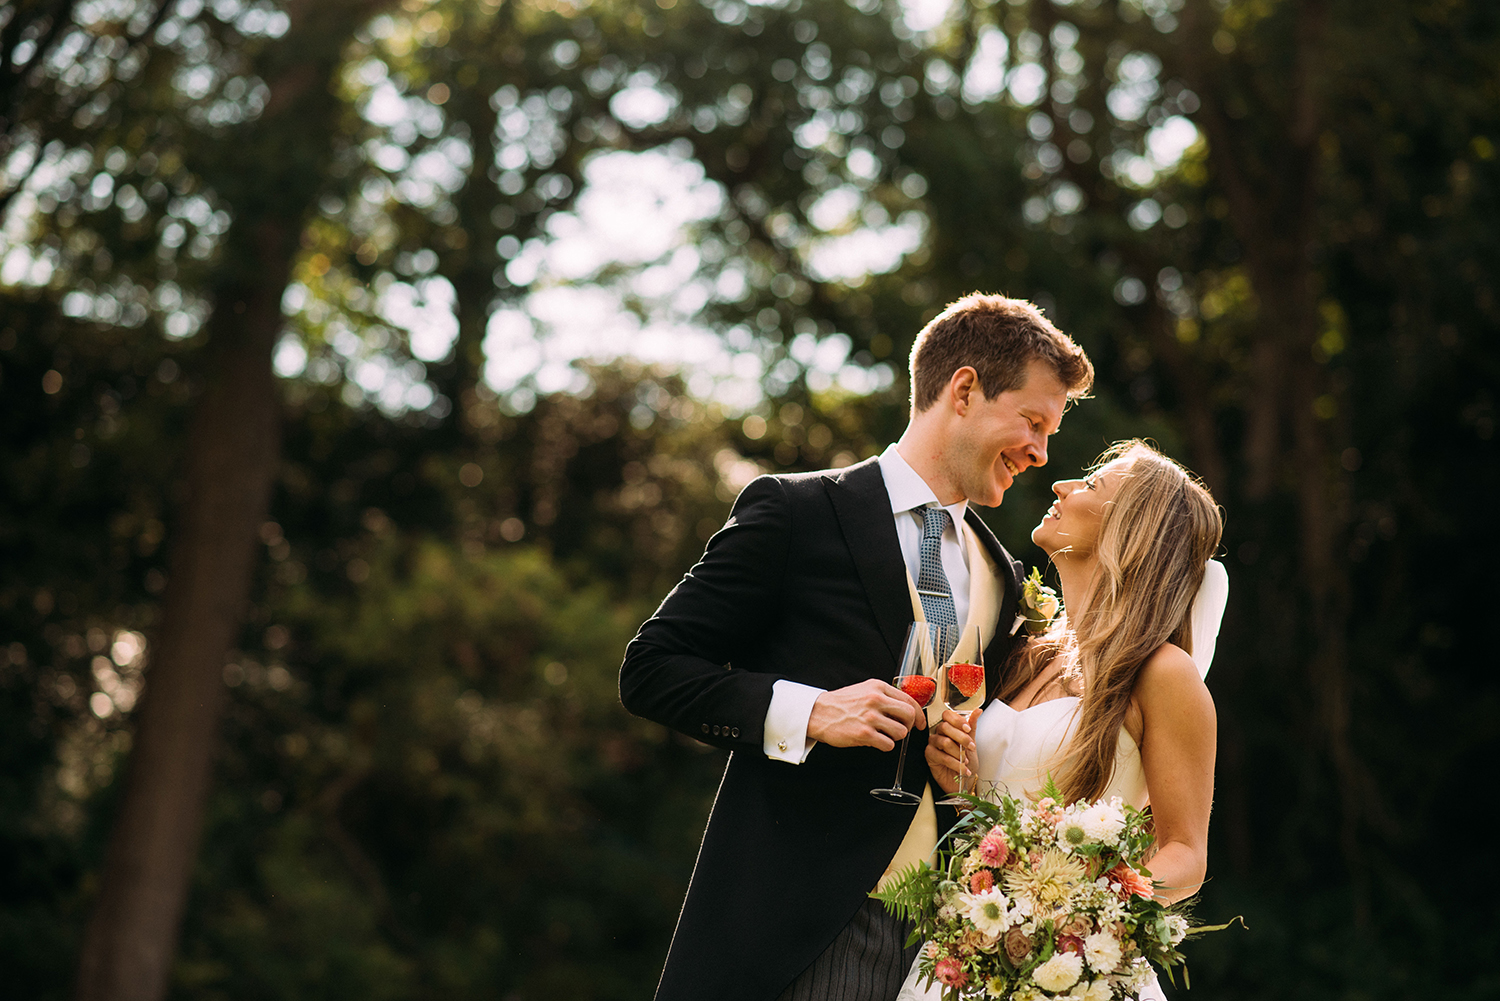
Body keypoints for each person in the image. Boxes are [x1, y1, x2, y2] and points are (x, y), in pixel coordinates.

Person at [619, 293, 1094, 1001]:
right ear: (963, 390)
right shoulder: (796, 512)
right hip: (799, 926)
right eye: (1032, 422)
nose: (1040, 452)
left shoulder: (1001, 572)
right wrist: (811, 711)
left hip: (948, 939)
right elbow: (651, 668)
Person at [900, 440, 1226, 1001]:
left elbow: (1186, 853)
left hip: (1075, 971)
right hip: (972, 957)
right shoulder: (1024, 653)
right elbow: (987, 819)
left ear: (1131, 532)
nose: (1061, 486)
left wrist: (1079, 911)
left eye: (1092, 486)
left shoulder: (1164, 674)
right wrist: (960, 785)